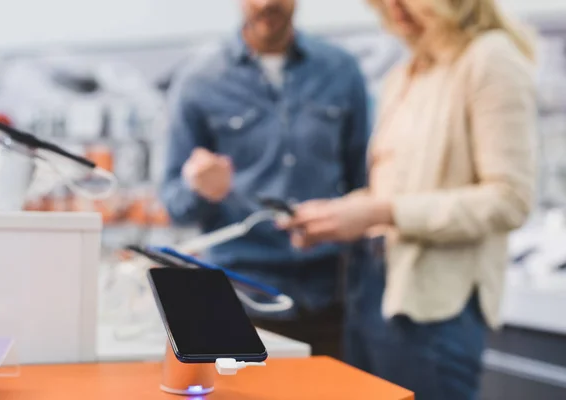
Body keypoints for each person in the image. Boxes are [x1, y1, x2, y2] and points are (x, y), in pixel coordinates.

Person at [279, 0, 536, 397]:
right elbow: (393, 190)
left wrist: (379, 212)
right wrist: (337, 215)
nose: (393, 9)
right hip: (371, 292)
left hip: (434, 308)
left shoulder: (489, 60)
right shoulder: (405, 74)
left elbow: (509, 199)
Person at [161, 0, 369, 358]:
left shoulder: (340, 70)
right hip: (238, 303)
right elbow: (174, 204)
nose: (267, 3)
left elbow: (362, 182)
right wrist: (200, 189)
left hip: (328, 298)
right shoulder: (199, 80)